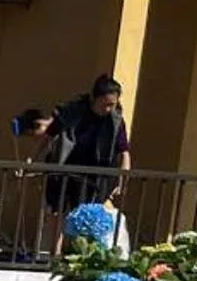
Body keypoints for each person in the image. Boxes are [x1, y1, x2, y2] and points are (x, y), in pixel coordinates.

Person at [40, 75, 130, 212]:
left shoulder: (115, 122)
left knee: (88, 218)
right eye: (104, 104)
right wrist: (31, 160)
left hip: (96, 178)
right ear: (94, 98)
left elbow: (124, 152)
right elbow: (48, 136)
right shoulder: (71, 113)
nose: (108, 109)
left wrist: (122, 178)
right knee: (58, 214)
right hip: (65, 172)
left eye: (112, 105)